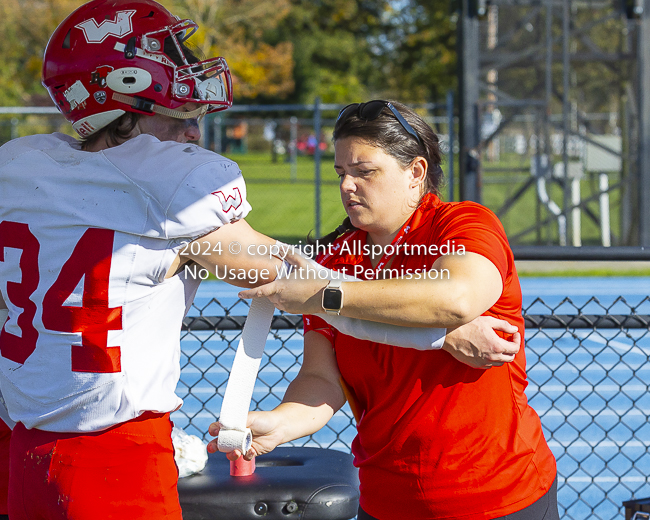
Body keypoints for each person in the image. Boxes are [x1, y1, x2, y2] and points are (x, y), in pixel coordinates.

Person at [0, 2, 520, 519]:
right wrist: (435, 331)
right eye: (182, 112)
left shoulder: (23, 166)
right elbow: (289, 280)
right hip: (111, 458)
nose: (193, 131)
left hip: (20, 447)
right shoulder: (165, 180)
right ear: (127, 86)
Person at [209, 100, 560, 520]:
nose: (347, 186)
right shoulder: (335, 261)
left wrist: (327, 294)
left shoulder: (464, 224)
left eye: (364, 172)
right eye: (341, 173)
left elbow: (455, 299)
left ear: (415, 173)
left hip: (498, 497)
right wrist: (280, 424)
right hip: (386, 500)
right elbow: (322, 378)